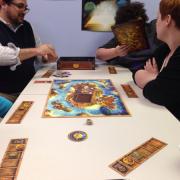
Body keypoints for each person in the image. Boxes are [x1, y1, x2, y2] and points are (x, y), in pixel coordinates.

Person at [0, 0, 58, 103]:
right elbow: (2, 55)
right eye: (20, 6)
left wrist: (46, 57)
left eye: (25, 8)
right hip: (4, 95)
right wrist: (37, 51)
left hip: (30, 88)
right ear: (3, 4)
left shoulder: (27, 26)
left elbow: (39, 56)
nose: (24, 11)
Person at [134, 0, 180, 120]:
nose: (156, 23)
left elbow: (159, 93)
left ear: (167, 20)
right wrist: (157, 79)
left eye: (158, 18)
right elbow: (137, 72)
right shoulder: (164, 49)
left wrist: (156, 79)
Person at [96, 1, 162, 71]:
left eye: (136, 23)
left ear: (141, 20)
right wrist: (115, 52)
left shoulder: (153, 27)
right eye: (128, 26)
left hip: (151, 68)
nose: (133, 29)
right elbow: (99, 54)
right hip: (129, 70)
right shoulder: (122, 35)